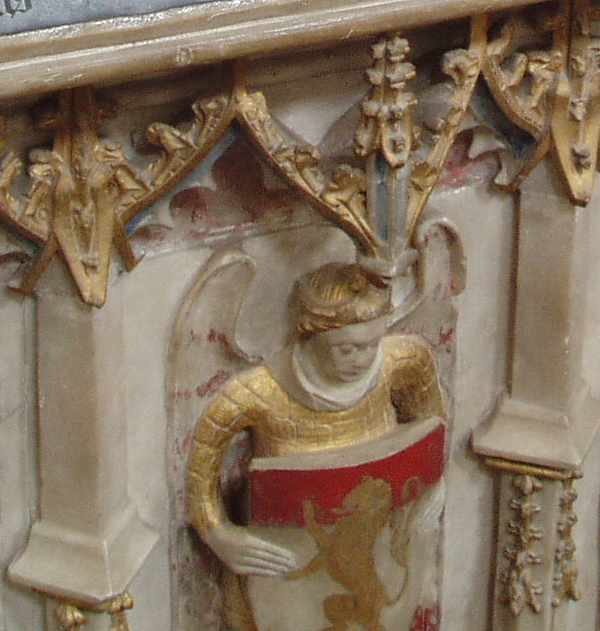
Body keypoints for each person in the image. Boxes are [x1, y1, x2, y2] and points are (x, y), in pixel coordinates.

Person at [185, 262, 447, 631]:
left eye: (371, 344)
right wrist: (220, 533)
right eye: (346, 349)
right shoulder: (259, 394)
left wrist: (431, 496)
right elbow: (203, 464)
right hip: (287, 553)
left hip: (382, 543)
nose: (362, 359)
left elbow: (430, 438)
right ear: (310, 335)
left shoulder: (403, 361)